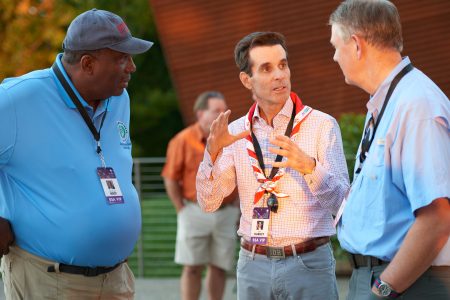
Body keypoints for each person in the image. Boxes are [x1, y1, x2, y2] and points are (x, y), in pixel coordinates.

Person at [0, 8, 152, 299]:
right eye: (122, 58)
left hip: (116, 280)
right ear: (88, 64)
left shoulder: (119, 98)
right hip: (48, 281)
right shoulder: (18, 99)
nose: (132, 67)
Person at [196, 32, 350, 300]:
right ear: (247, 80)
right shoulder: (235, 133)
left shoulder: (321, 125)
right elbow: (208, 202)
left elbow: (343, 205)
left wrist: (309, 167)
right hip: (252, 264)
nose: (280, 75)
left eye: (283, 64)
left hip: (309, 264)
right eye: (266, 69)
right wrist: (212, 152)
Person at [329, 1, 450, 299]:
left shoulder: (416, 106)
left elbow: (437, 219)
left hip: (404, 284)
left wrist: (383, 290)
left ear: (356, 45)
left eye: (335, 46)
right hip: (382, 278)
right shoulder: (391, 102)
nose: (334, 56)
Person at [161, 91, 240, 300]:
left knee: (220, 267)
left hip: (226, 213)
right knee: (192, 267)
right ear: (200, 114)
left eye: (224, 110)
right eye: (217, 110)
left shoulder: (234, 139)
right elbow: (170, 177)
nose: (223, 114)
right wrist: (181, 209)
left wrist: (238, 208)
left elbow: (243, 174)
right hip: (194, 211)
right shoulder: (182, 141)